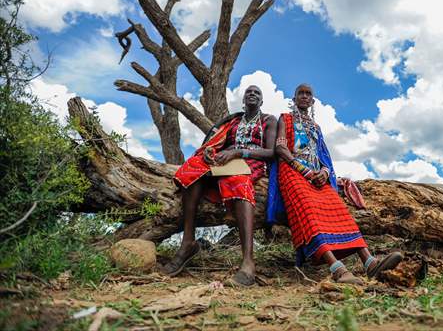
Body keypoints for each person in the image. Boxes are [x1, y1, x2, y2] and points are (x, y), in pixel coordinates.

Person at [268, 84, 401, 284]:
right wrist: (303, 169)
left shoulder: (316, 127)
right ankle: (337, 269)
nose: (304, 97)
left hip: (316, 175)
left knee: (339, 211)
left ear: (313, 101)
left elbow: (324, 157)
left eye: (308, 94)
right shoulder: (284, 119)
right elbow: (280, 147)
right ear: (294, 99)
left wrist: (324, 171)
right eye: (300, 94)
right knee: (309, 212)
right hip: (293, 171)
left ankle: (370, 263)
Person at [163, 85, 276, 286]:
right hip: (226, 160)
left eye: (257, 93)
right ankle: (188, 242)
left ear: (261, 101)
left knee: (238, 181)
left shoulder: (268, 121)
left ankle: (248, 261)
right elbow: (217, 143)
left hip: (252, 161)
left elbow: (271, 152)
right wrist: (209, 152)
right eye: (249, 92)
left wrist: (239, 152)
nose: (252, 94)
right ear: (243, 100)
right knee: (193, 169)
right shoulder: (232, 121)